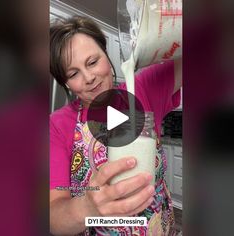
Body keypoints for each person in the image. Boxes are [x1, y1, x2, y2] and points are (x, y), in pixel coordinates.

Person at [50, 15, 182, 235]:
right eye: (73, 73)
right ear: (66, 83)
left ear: (106, 53)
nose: (89, 77)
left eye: (92, 62)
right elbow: (54, 216)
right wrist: (87, 207)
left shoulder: (142, 89)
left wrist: (165, 22)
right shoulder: (57, 125)